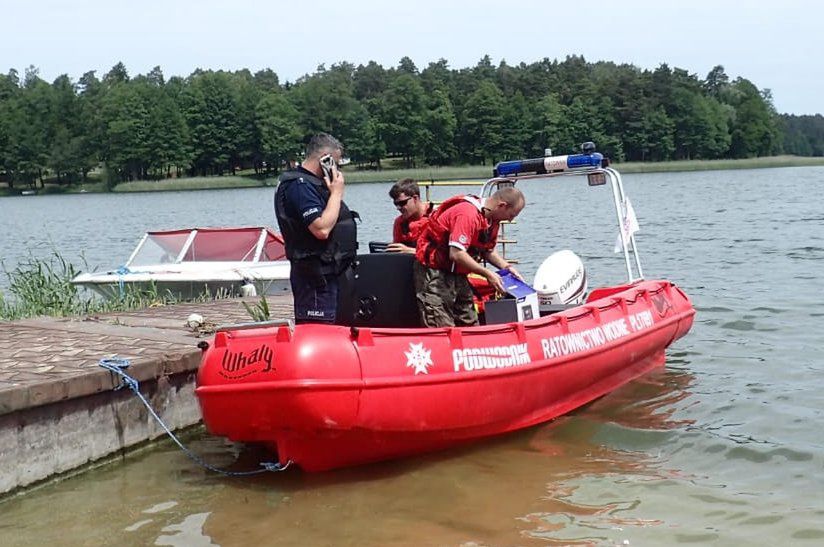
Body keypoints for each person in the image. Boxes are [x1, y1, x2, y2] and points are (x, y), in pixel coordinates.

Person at [274, 133, 358, 324]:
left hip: (328, 273)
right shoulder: (299, 186)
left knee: (334, 334)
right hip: (314, 279)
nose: (335, 169)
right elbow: (321, 229)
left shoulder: (310, 184)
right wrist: (336, 193)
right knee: (319, 334)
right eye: (334, 163)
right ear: (324, 160)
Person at [414, 187, 525, 327]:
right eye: (511, 215)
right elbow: (456, 253)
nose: (510, 220)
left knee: (469, 321)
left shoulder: (491, 220)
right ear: (502, 206)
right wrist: (487, 273)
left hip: (459, 274)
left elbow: (487, 250)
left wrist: (507, 268)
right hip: (434, 273)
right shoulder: (467, 214)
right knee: (440, 324)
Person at [387, 178, 433, 253]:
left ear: (415, 198)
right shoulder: (399, 222)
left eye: (402, 203)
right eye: (396, 204)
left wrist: (412, 251)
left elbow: (443, 254)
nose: (398, 208)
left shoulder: (436, 218)